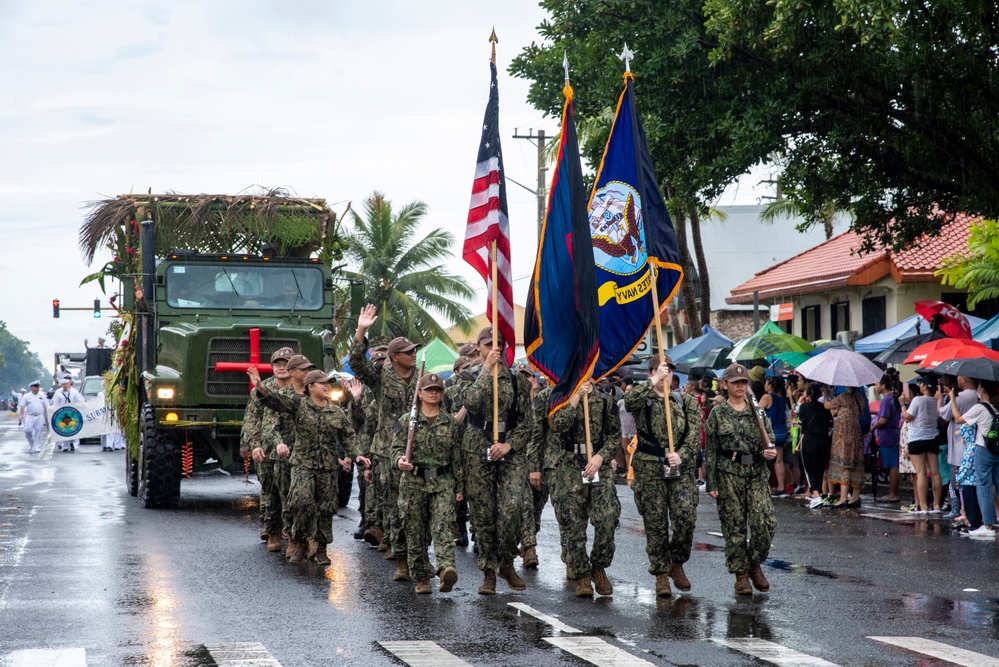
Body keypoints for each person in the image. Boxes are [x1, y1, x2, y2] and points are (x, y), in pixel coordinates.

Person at [248, 366, 370, 566]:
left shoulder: (336, 411)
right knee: (302, 503)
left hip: (328, 468)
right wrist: (260, 386)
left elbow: (348, 436)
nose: (328, 387)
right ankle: (299, 540)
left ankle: (321, 549)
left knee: (325, 509)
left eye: (329, 384)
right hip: (303, 466)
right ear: (311, 386)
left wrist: (358, 455)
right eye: (323, 384)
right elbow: (275, 401)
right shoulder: (299, 405)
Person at [349, 305, 420, 581]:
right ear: (394, 357)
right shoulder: (381, 377)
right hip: (388, 450)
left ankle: (416, 555)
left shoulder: (422, 380)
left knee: (415, 505)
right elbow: (356, 363)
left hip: (417, 451)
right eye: (409, 352)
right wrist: (362, 329)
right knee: (394, 506)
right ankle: (401, 556)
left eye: (415, 351)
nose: (414, 355)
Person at [461, 326, 533, 595]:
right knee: (483, 513)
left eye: (499, 343)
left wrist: (509, 444)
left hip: (508, 449)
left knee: (512, 508)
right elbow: (470, 402)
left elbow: (528, 423)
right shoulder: (468, 376)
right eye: (488, 343)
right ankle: (489, 571)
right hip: (478, 447)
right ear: (478, 347)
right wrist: (484, 371)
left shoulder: (517, 381)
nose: (495, 347)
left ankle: (507, 561)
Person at [625, 355, 701, 597]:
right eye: (661, 371)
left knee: (685, 517)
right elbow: (628, 402)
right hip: (649, 467)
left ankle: (677, 562)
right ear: (651, 373)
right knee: (656, 523)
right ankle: (660, 574)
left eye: (668, 372)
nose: (666, 376)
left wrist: (683, 455)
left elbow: (694, 435)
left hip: (679, 467)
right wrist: (652, 381)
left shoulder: (685, 400)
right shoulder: (643, 398)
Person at [705, 363, 778, 595]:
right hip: (729, 473)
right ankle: (741, 575)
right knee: (734, 527)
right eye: (735, 382)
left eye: (743, 382)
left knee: (764, 524)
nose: (740, 386)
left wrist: (770, 453)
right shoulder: (718, 413)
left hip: (756, 472)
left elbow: (771, 441)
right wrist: (712, 482)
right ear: (725, 385)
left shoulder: (757, 411)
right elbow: (711, 450)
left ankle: (755, 563)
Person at [548, 379, 621, 597]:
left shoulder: (606, 402)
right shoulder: (560, 399)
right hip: (570, 465)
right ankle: (581, 574)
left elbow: (615, 436)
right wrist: (576, 396)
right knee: (573, 524)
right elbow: (557, 425)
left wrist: (601, 456)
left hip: (598, 464)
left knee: (608, 517)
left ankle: (598, 567)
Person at [392, 372, 463, 594]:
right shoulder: (406, 421)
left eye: (438, 390)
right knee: (415, 532)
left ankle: (445, 569)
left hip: (442, 482)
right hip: (414, 482)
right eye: (429, 390)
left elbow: (457, 457)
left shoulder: (450, 422)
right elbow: (395, 449)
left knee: (442, 527)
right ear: (420, 393)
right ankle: (422, 576)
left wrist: (460, 488)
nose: (434, 393)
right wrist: (400, 460)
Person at [239, 347, 295, 551]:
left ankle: (292, 530)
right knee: (270, 491)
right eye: (278, 364)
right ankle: (273, 532)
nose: (282, 368)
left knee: (293, 492)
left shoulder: (300, 389)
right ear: (272, 367)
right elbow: (251, 422)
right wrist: (254, 446)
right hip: (268, 450)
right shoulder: (260, 390)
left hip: (294, 449)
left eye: (286, 363)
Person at [949, 380, 999, 538]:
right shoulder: (996, 408)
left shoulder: (980, 407)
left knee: (983, 486)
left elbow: (958, 419)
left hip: (983, 449)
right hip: (996, 450)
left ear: (983, 390)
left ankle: (988, 525)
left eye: (979, 386)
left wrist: (952, 398)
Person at [938, 374, 980, 520]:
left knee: (957, 481)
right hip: (974, 444)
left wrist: (939, 400)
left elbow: (944, 414)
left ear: (964, 378)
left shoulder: (961, 397)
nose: (957, 379)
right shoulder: (978, 397)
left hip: (958, 444)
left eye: (959, 377)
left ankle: (959, 510)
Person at [901, 379, 944, 513]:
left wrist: (902, 404)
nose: (919, 385)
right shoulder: (934, 401)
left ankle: (924, 506)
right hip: (932, 438)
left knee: (921, 473)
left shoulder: (918, 400)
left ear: (925, 386)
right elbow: (938, 417)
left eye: (921, 383)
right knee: (935, 472)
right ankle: (936, 505)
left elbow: (907, 417)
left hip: (917, 438)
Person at [824, 385, 867, 507]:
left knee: (845, 464)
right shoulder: (861, 399)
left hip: (843, 434)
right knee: (856, 463)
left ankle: (843, 498)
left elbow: (827, 405)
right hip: (856, 433)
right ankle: (855, 497)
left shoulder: (843, 397)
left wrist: (825, 394)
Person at [798, 383, 833, 508]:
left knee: (809, 468)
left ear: (807, 394)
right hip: (823, 439)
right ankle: (820, 494)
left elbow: (802, 425)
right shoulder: (825, 408)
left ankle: (816, 494)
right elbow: (830, 424)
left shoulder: (803, 407)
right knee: (820, 467)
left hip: (808, 438)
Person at [871, 371, 902, 503]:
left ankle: (892, 494)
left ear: (883, 386)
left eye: (876, 384)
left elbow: (883, 419)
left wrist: (872, 427)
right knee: (893, 464)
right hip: (893, 433)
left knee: (892, 466)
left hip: (887, 435)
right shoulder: (893, 398)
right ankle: (892, 493)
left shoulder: (885, 400)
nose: (874, 387)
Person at [760, 376, 790, 497]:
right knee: (779, 460)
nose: (765, 385)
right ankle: (781, 487)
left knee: (765, 460)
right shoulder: (782, 399)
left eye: (766, 383)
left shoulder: (767, 397)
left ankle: (766, 487)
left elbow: (758, 412)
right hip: (782, 432)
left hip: (770, 433)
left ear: (770, 386)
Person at [51, 375, 85, 452]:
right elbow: (55, 403)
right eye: (63, 384)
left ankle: (73, 443)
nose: (65, 386)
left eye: (66, 384)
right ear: (61, 385)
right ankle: (65, 446)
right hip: (62, 414)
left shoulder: (74, 392)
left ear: (69, 384)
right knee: (65, 429)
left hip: (72, 413)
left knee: (73, 428)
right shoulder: (58, 392)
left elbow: (79, 400)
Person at [18, 381, 49, 454]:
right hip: (30, 416)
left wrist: (48, 415)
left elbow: (46, 406)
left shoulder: (42, 395)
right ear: (32, 388)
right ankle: (32, 444)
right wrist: (21, 415)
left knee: (38, 431)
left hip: (39, 416)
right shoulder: (27, 396)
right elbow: (22, 406)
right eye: (36, 387)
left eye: (38, 387)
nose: (37, 389)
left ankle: (37, 447)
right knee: (27, 430)